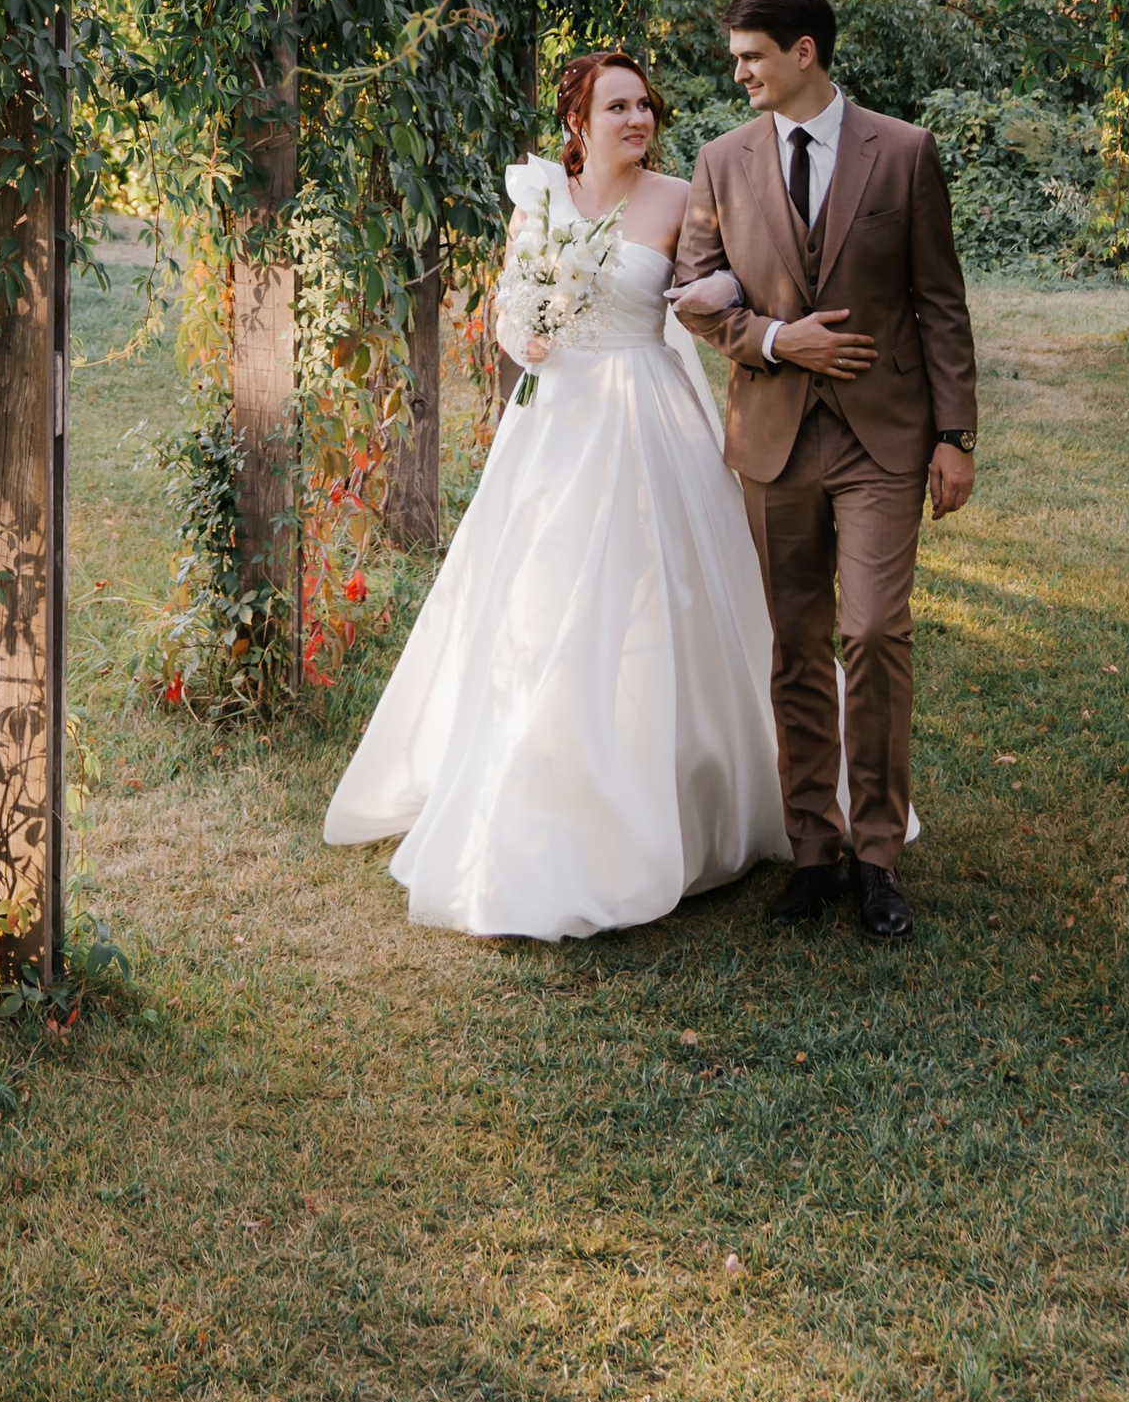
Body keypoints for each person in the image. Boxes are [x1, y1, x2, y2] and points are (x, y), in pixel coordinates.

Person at [322, 49, 788, 939]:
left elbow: (723, 284)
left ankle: (682, 789)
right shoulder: (538, 199)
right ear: (579, 121)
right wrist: (521, 336)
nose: (638, 120)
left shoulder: (678, 197)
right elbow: (510, 303)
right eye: (618, 107)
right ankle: (538, 780)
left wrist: (716, 287)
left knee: (663, 593)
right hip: (557, 418)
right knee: (539, 595)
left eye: (644, 105)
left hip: (647, 414)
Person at [670, 0, 976, 945]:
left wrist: (954, 436)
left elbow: (939, 302)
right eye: (736, 58)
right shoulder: (720, 162)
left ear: (804, 53)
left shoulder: (905, 153)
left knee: (874, 632)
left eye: (752, 56)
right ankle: (814, 850)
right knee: (794, 644)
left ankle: (878, 854)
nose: (739, 73)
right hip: (773, 438)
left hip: (883, 437)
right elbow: (694, 292)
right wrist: (774, 339)